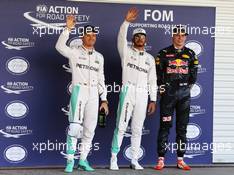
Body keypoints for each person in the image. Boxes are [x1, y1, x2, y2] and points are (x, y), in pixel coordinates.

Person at [55, 15, 109, 173]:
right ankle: (70, 161)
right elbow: (59, 46)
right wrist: (68, 29)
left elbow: (102, 79)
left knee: (90, 129)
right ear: (82, 36)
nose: (91, 38)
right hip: (79, 91)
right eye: (88, 35)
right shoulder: (74, 52)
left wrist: (104, 99)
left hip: (93, 93)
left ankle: (83, 160)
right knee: (74, 128)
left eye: (94, 35)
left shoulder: (100, 57)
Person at [110, 8, 157, 170]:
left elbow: (153, 80)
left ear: (145, 40)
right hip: (128, 91)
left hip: (143, 94)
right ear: (133, 39)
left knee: (137, 128)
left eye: (142, 37)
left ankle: (134, 160)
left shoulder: (150, 59)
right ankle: (114, 159)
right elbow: (121, 38)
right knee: (121, 126)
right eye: (137, 36)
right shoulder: (126, 52)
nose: (139, 38)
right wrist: (126, 22)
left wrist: (153, 99)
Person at [154, 25, 199, 171]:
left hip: (184, 96)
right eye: (177, 35)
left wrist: (185, 89)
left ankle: (180, 159)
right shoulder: (163, 53)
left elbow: (193, 76)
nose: (180, 37)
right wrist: (163, 90)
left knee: (182, 128)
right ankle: (161, 159)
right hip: (168, 95)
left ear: (186, 37)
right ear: (172, 36)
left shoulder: (191, 54)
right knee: (165, 127)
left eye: (183, 35)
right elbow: (158, 75)